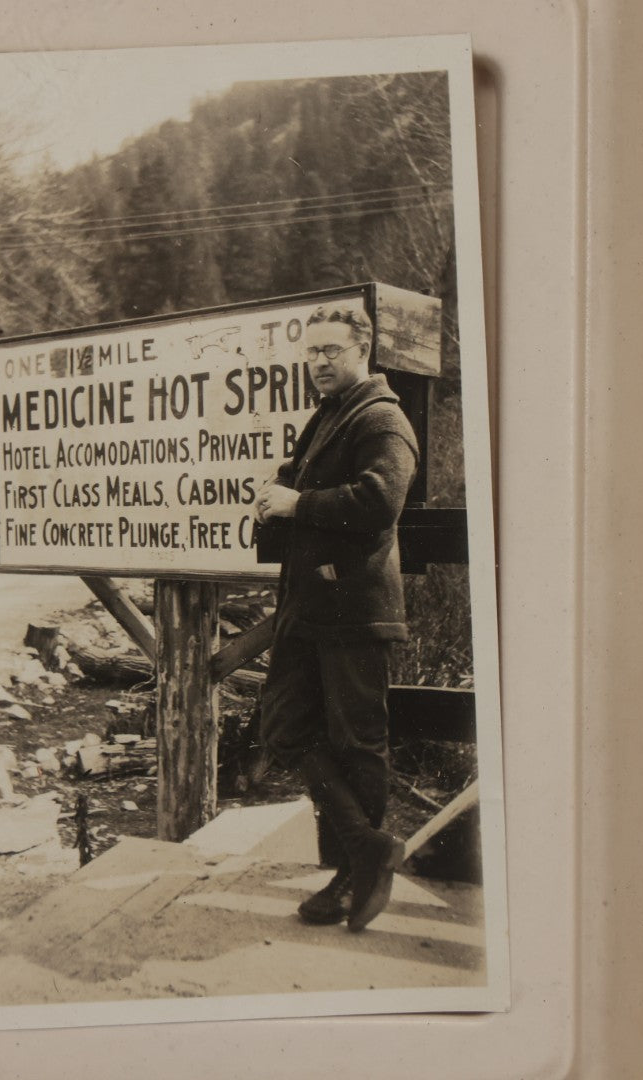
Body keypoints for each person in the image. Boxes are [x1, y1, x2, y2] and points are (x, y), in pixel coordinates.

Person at [253, 300, 420, 932]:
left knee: (357, 743)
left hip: (354, 610)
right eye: (312, 353)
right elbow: (300, 485)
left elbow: (380, 500)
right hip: (310, 606)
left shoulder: (380, 419)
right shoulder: (331, 416)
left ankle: (354, 876)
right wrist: (275, 500)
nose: (319, 363)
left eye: (332, 352)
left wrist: (299, 504)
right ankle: (365, 846)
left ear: (363, 351)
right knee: (285, 728)